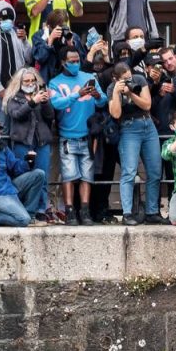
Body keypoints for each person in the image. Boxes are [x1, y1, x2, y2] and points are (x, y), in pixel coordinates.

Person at [50, 47, 108, 225]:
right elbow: (56, 103)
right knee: (68, 175)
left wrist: (97, 96)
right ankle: (70, 212)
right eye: (72, 61)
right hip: (67, 136)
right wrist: (77, 94)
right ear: (63, 62)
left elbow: (103, 101)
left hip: (88, 137)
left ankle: (85, 211)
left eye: (77, 61)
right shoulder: (55, 82)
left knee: (87, 176)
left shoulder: (89, 77)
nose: (76, 64)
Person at [107, 62, 164, 225]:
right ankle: (127, 213)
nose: (129, 80)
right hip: (128, 128)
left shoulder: (139, 79)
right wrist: (117, 92)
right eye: (125, 79)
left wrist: (130, 93)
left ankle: (152, 212)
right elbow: (116, 114)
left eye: (129, 77)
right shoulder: (111, 88)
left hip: (148, 125)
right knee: (129, 171)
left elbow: (147, 104)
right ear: (116, 79)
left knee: (155, 171)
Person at [4, 67, 54, 222]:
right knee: (24, 176)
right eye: (26, 81)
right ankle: (24, 210)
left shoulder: (40, 95)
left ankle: (41, 209)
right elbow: (17, 114)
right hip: (22, 142)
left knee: (43, 176)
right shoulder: (13, 98)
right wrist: (33, 102)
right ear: (19, 82)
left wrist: (45, 103)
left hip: (41, 141)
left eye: (33, 80)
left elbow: (50, 117)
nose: (30, 83)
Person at [0, 3, 32, 105]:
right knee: (1, 116)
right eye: (3, 18)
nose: (7, 20)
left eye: (10, 18)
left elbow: (29, 58)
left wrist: (25, 41)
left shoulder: (18, 33)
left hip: (19, 90)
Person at [31, 9, 87, 84]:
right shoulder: (39, 36)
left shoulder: (72, 36)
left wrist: (71, 45)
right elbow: (40, 57)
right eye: (58, 27)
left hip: (67, 80)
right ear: (49, 26)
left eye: (63, 26)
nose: (61, 30)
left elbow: (82, 62)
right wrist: (49, 41)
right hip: (46, 79)